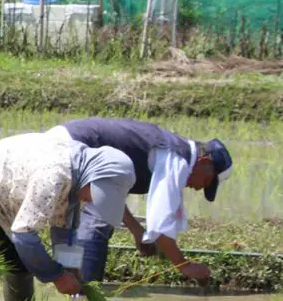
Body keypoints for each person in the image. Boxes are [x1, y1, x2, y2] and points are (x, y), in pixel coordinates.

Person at [0, 131, 137, 301]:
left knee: (20, 264)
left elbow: (64, 229)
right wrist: (57, 276)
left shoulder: (77, 178)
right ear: (92, 179)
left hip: (11, 202)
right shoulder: (55, 176)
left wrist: (71, 269)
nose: (91, 201)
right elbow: (23, 234)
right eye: (96, 194)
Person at [50, 118, 232, 284]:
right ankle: (85, 293)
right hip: (71, 146)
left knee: (67, 224)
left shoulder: (173, 151)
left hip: (63, 141)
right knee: (96, 223)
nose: (199, 188)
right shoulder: (176, 161)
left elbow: (112, 196)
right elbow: (160, 227)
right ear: (205, 162)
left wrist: (137, 231)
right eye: (206, 182)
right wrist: (184, 265)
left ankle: (72, 288)